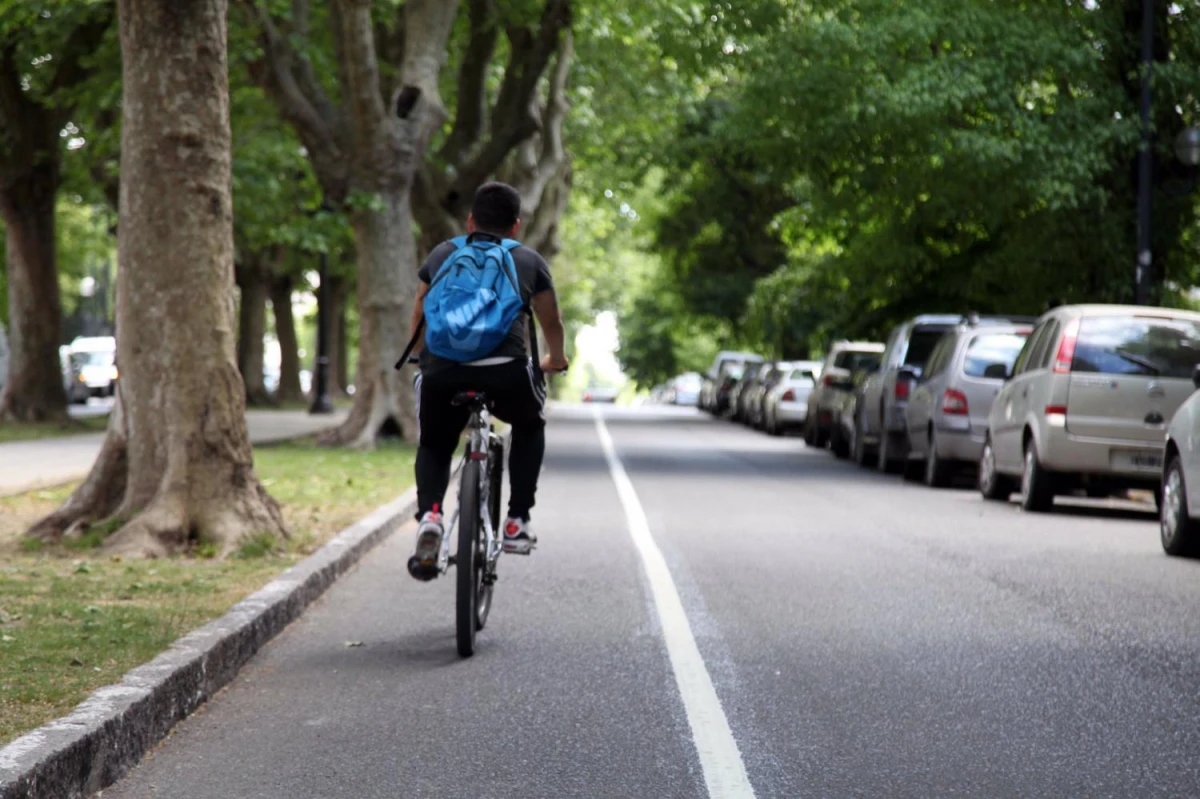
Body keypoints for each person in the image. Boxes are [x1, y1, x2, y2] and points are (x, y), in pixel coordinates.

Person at [407, 182, 569, 579]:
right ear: (516, 226)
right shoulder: (529, 261)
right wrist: (557, 359)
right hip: (506, 371)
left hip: (443, 370)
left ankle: (430, 514)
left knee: (434, 442)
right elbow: (551, 321)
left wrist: (417, 355)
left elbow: (421, 308)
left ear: (470, 221)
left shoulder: (444, 253)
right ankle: (516, 521)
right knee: (530, 424)